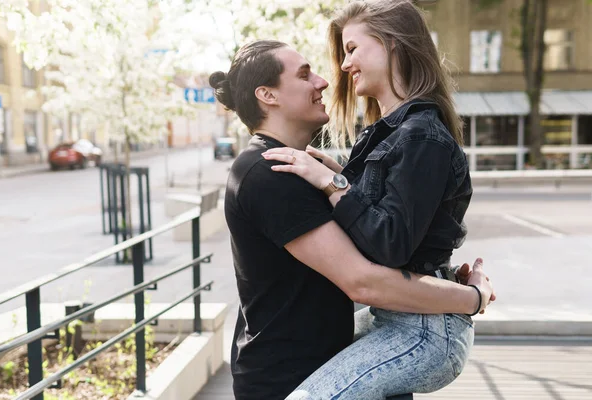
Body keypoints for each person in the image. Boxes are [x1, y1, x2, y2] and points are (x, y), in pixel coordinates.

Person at [210, 39, 494, 400]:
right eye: (304, 74)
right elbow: (362, 283)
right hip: (289, 380)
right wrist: (472, 298)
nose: (323, 81)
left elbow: (379, 236)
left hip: (333, 364)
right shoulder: (269, 173)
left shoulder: (300, 167)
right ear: (268, 95)